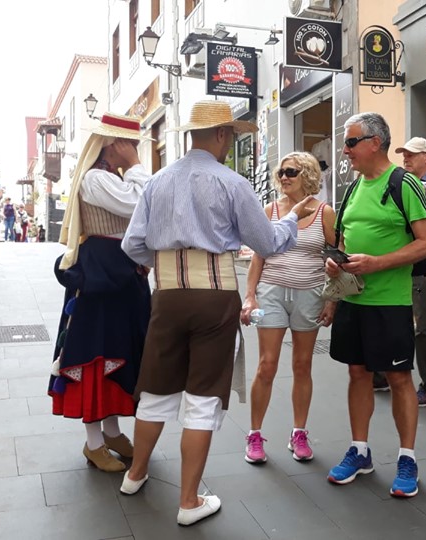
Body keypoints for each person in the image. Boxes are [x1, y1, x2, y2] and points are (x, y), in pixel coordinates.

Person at [120, 100, 316, 526]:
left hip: (168, 294)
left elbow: (132, 245)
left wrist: (166, 265)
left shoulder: (157, 181)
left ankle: (135, 474)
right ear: (223, 135)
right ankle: (189, 501)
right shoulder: (231, 182)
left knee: (155, 388)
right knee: (204, 394)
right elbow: (266, 241)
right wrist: (292, 221)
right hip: (213, 294)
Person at [324, 112, 426, 498]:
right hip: (354, 298)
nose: (345, 149)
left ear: (375, 142)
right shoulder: (353, 188)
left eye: (351, 142)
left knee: (399, 378)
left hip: (390, 303)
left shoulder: (403, 183)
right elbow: (343, 241)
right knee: (357, 374)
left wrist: (378, 263)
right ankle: (360, 450)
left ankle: (407, 458)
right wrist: (335, 259)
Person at [48, 113, 153, 474]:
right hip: (102, 276)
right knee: (95, 352)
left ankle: (111, 432)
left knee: (119, 350)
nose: (136, 149)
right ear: (114, 144)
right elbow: (142, 203)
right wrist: (137, 165)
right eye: (132, 143)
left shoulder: (110, 178)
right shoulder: (96, 179)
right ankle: (94, 441)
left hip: (119, 274)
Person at [240, 151, 337, 465]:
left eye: (291, 172)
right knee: (266, 365)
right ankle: (254, 435)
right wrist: (250, 295)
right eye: (281, 171)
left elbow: (335, 257)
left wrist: (332, 299)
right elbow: (258, 257)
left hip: (310, 294)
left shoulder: (325, 212)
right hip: (271, 292)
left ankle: (299, 433)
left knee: (302, 365)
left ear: (306, 174)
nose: (283, 177)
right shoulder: (269, 211)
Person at [389, 136, 426, 407]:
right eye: (404, 155)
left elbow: (421, 191)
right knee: (394, 315)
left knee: (425, 324)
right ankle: (384, 374)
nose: (405, 159)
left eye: (411, 155)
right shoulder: (404, 182)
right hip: (403, 255)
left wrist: (391, 179)